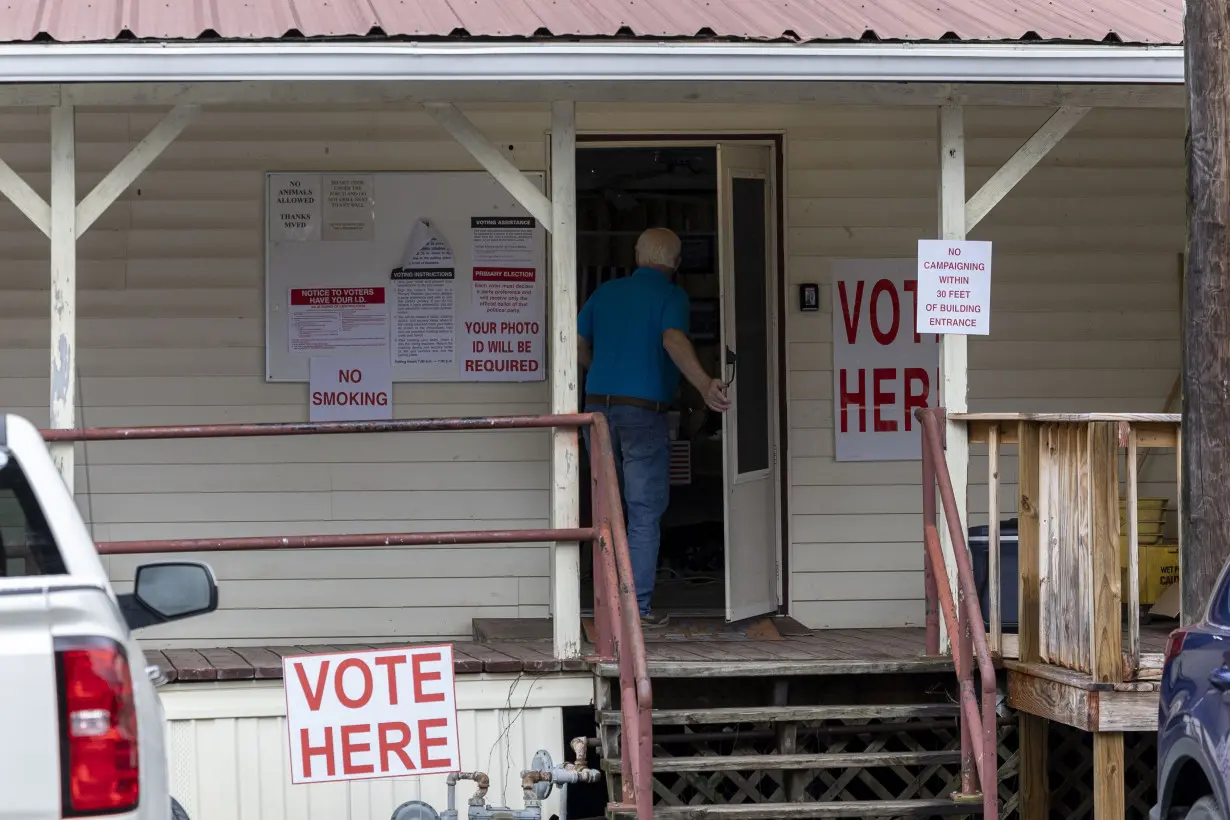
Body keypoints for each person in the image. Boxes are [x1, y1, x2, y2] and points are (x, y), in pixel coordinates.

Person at [578, 227, 731, 627]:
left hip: (596, 412)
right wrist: (704, 385)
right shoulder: (671, 295)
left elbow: (576, 342)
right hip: (643, 414)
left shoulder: (605, 293)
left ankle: (603, 606)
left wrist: (602, 377)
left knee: (605, 511)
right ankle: (635, 610)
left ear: (636, 255)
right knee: (643, 512)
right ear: (676, 264)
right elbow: (673, 339)